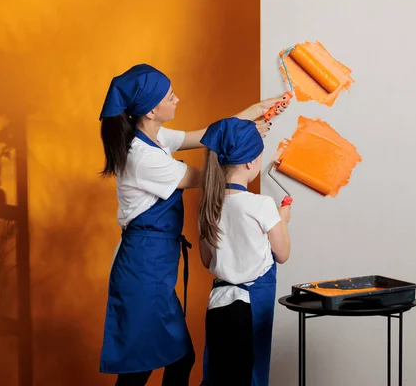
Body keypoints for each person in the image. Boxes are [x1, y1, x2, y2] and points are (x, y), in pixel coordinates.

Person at [97, 63, 288, 386]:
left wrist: (250, 115)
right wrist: (243, 148)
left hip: (156, 263)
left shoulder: (155, 138)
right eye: (170, 96)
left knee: (175, 358)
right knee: (142, 364)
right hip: (142, 266)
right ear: (152, 109)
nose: (178, 99)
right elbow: (210, 177)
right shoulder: (142, 157)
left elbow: (201, 136)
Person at [197, 117, 292, 386]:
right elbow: (282, 253)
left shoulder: (207, 206)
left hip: (217, 305)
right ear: (251, 162)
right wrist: (282, 219)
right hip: (251, 309)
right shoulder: (262, 205)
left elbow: (207, 260)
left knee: (219, 376)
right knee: (250, 376)